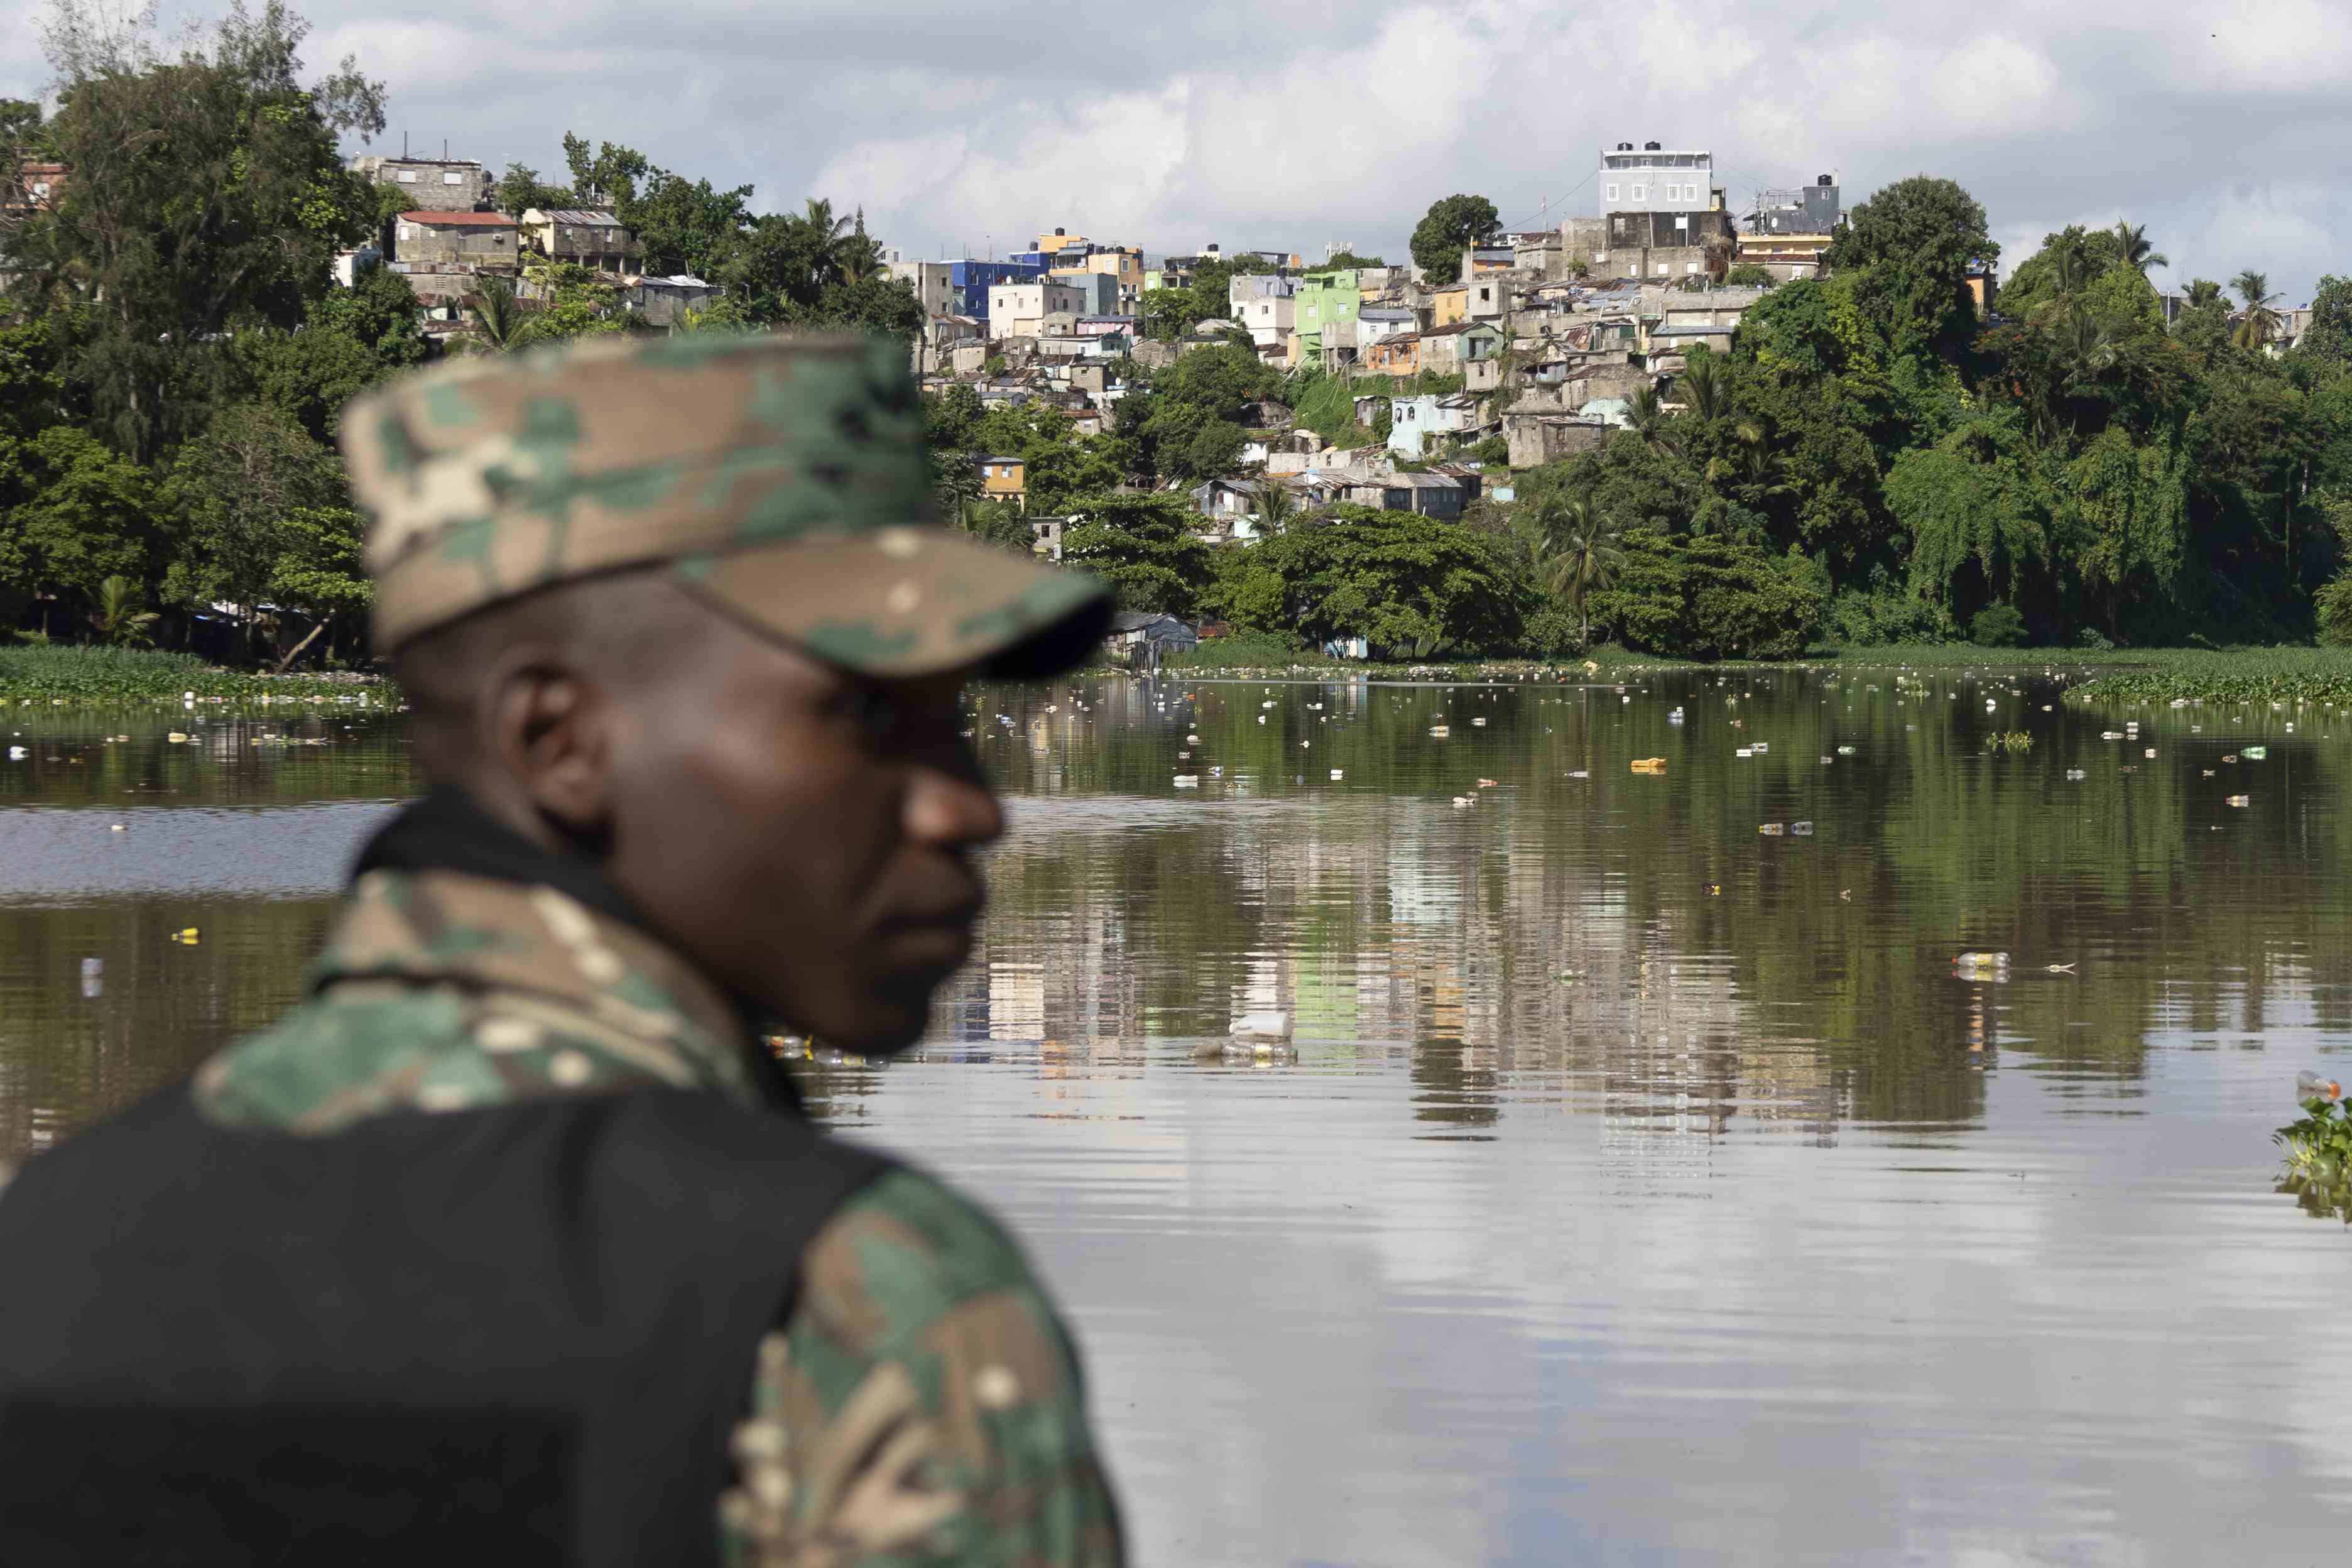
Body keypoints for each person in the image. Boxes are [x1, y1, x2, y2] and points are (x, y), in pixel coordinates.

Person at [0, 332, 1123, 1566]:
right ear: (558, 739)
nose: (968, 805)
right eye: (864, 711)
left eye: (953, 719)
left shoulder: (47, 1248)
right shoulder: (854, 1305)